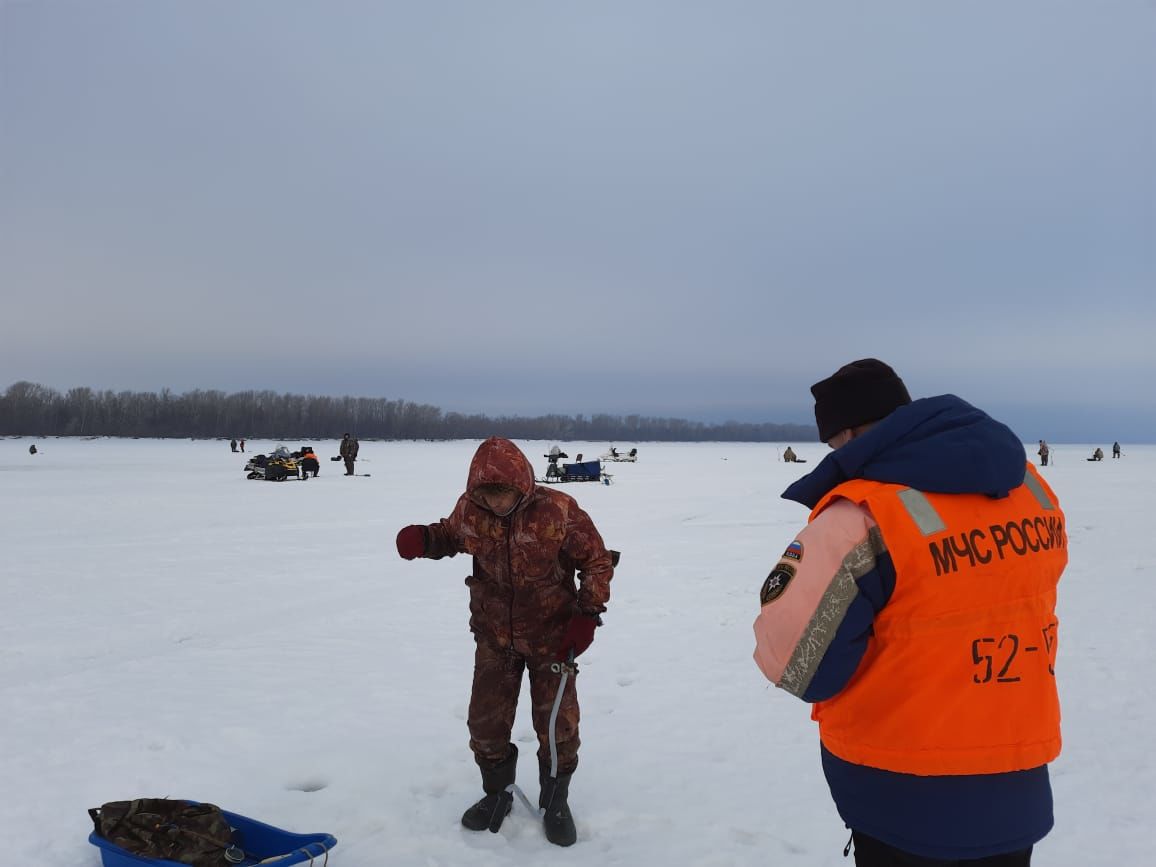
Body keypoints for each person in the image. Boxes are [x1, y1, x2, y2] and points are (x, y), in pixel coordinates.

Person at [752, 359, 1067, 866]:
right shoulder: (1029, 490)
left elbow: (798, 662)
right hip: (1017, 777)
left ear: (849, 433)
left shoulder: (862, 517)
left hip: (902, 794)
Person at [395, 437, 615, 847]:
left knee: (557, 725)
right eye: (488, 495)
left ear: (522, 485)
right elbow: (450, 535)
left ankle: (556, 803)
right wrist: (425, 539)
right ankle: (497, 795)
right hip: (494, 634)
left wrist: (587, 614)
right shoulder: (470, 509)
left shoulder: (558, 510)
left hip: (553, 635)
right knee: (485, 722)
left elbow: (597, 561)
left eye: (504, 494)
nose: (497, 504)